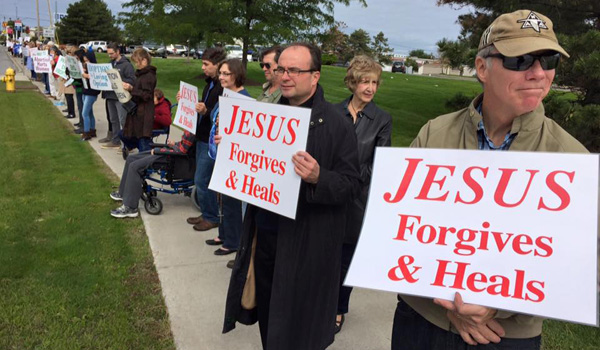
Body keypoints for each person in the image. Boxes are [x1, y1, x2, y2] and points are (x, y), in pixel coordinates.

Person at [391, 10, 588, 350]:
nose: (539, 73)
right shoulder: (433, 134)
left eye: (549, 59)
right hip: (423, 320)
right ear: (482, 68)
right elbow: (396, 229)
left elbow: (578, 262)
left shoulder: (572, 158)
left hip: (503, 335)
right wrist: (450, 304)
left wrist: (499, 304)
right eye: (521, 59)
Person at [222, 43, 361, 350]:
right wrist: (233, 144)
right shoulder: (266, 116)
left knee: (300, 331)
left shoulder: (337, 124)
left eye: (294, 70)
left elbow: (352, 185)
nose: (285, 77)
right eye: (280, 69)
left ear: (315, 76)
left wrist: (319, 177)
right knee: (271, 323)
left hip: (307, 249)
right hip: (267, 241)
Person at [334, 55, 392, 334]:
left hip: (358, 199)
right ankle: (320, 301)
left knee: (347, 258)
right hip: (326, 193)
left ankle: (338, 308)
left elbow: (380, 161)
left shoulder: (381, 119)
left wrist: (350, 184)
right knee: (324, 254)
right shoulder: (334, 112)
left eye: (374, 83)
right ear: (352, 83)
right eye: (364, 82)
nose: (370, 88)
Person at [204, 58, 251, 257]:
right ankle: (224, 234)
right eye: (221, 73)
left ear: (237, 75)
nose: (221, 77)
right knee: (221, 198)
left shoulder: (243, 100)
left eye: (226, 74)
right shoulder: (226, 95)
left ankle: (233, 241)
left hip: (233, 159)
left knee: (231, 201)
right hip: (219, 154)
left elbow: (247, 133)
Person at [184, 47, 227, 231]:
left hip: (210, 140)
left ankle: (212, 217)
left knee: (202, 179)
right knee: (201, 179)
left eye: (206, 64)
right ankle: (207, 213)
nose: (203, 68)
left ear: (217, 65)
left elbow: (222, 115)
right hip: (201, 136)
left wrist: (206, 111)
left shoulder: (222, 87)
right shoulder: (209, 83)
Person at [109, 130, 195, 218]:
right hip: (169, 152)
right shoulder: (190, 126)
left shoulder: (192, 129)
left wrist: (160, 150)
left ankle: (130, 208)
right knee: (131, 158)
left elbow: (182, 151)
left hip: (172, 157)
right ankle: (123, 193)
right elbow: (182, 146)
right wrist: (174, 144)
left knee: (134, 167)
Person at [100, 42, 136, 149]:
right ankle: (115, 141)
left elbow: (132, 79)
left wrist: (120, 81)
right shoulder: (109, 64)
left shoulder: (126, 65)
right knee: (113, 119)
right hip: (110, 95)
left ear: (118, 52)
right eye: (108, 53)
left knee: (122, 120)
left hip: (120, 97)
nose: (109, 56)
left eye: (111, 53)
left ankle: (126, 144)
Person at [121, 48, 157, 153]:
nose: (136, 65)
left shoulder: (148, 76)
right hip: (140, 113)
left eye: (137, 62)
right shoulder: (143, 75)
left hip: (144, 114)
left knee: (143, 144)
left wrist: (132, 89)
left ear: (144, 60)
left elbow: (146, 95)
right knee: (131, 135)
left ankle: (145, 165)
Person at [79, 50, 100, 140]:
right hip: (85, 90)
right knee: (89, 112)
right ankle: (92, 130)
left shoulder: (95, 68)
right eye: (85, 61)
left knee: (85, 113)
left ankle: (86, 132)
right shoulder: (85, 68)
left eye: (87, 60)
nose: (86, 62)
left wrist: (88, 76)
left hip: (91, 92)